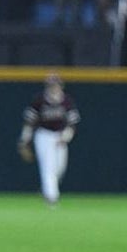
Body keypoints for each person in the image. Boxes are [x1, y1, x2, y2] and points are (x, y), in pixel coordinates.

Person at [18, 74, 80, 207]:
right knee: (48, 166)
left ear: (61, 86)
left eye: (56, 85)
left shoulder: (66, 101)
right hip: (44, 135)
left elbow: (72, 124)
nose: (53, 88)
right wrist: (24, 140)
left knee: (59, 168)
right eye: (51, 85)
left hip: (60, 135)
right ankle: (51, 198)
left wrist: (65, 137)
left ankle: (47, 189)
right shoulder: (39, 100)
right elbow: (29, 122)